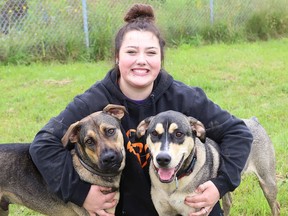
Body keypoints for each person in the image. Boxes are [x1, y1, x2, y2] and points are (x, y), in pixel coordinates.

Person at [29, 3, 253, 216]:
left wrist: (219, 185)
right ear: (117, 57)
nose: (141, 61)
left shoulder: (184, 98)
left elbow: (238, 133)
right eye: (131, 52)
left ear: (161, 58)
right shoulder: (94, 101)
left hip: (191, 206)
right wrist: (81, 193)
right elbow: (44, 143)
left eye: (151, 53)